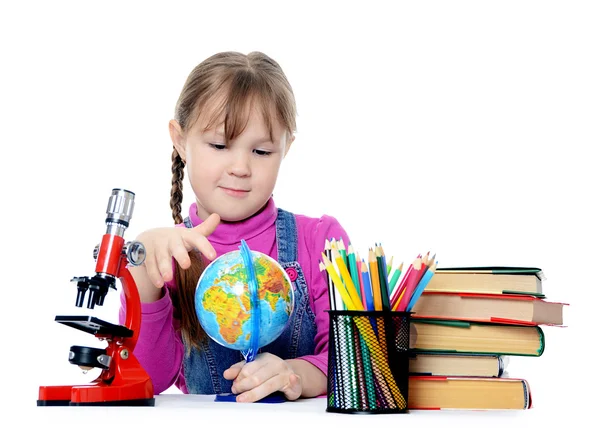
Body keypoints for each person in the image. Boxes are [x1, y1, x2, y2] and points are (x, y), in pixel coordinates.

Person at [120, 51, 350, 403]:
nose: (241, 167)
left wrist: (295, 375)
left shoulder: (320, 241)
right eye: (219, 145)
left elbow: (354, 362)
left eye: (262, 151)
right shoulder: (165, 257)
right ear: (180, 141)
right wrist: (141, 277)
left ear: (286, 147)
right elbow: (146, 381)